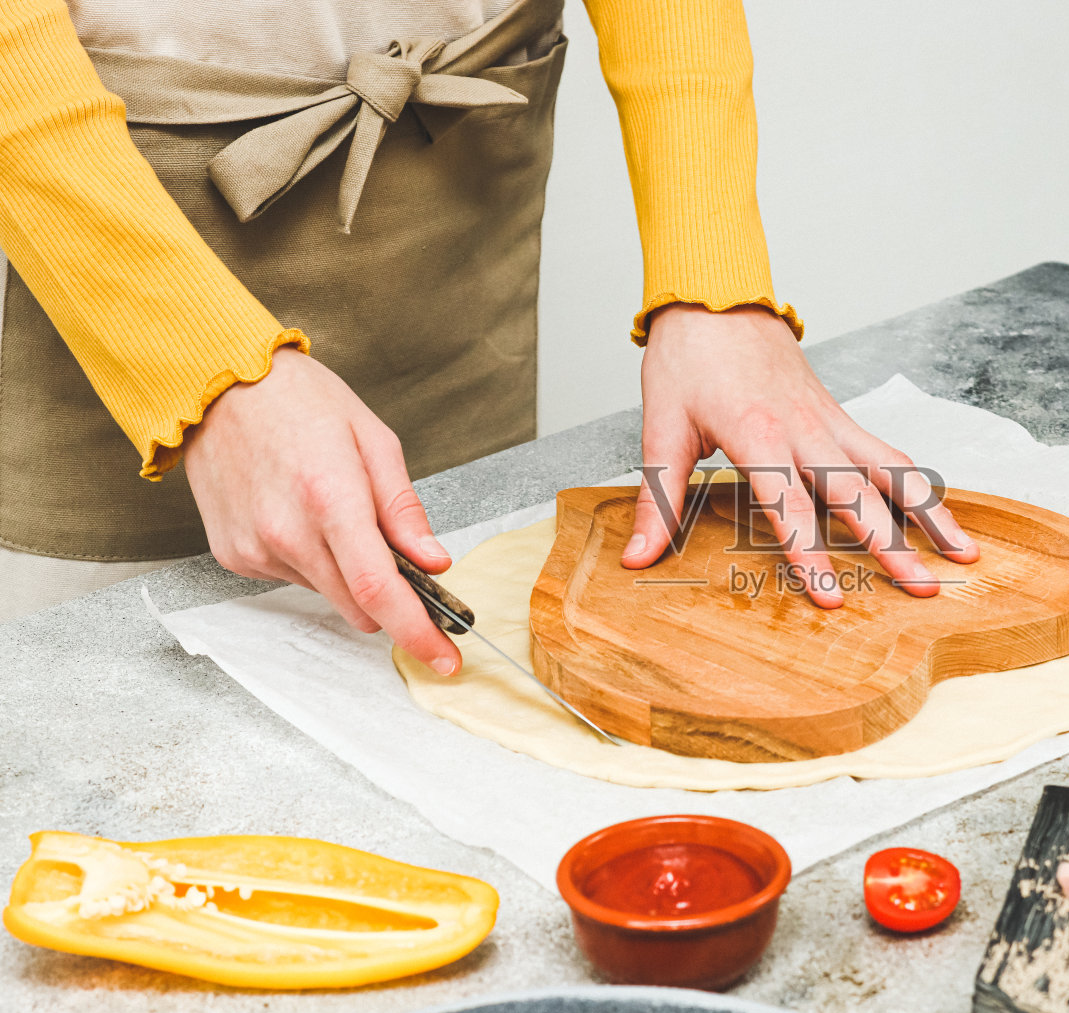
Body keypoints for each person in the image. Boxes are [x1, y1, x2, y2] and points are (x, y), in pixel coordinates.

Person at [0, 0, 975, 668]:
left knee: (469, 641)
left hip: (463, 273)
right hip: (118, 273)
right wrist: (195, 361)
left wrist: (711, 280)